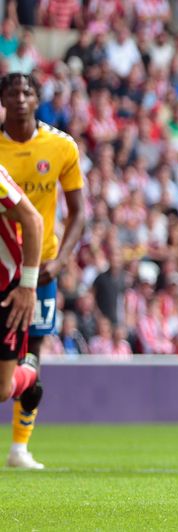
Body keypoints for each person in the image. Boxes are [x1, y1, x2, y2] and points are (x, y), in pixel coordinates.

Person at [0, 73, 86, 470]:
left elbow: (79, 212)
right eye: (12, 92)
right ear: (3, 101)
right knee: (14, 369)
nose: (20, 98)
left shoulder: (61, 146)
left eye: (27, 92)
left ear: (37, 100)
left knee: (32, 352)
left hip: (39, 267)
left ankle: (20, 447)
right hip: (3, 263)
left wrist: (60, 260)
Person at [0, 162, 44, 430]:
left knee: (2, 389)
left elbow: (33, 220)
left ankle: (29, 372)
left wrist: (28, 286)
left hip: (5, 288)